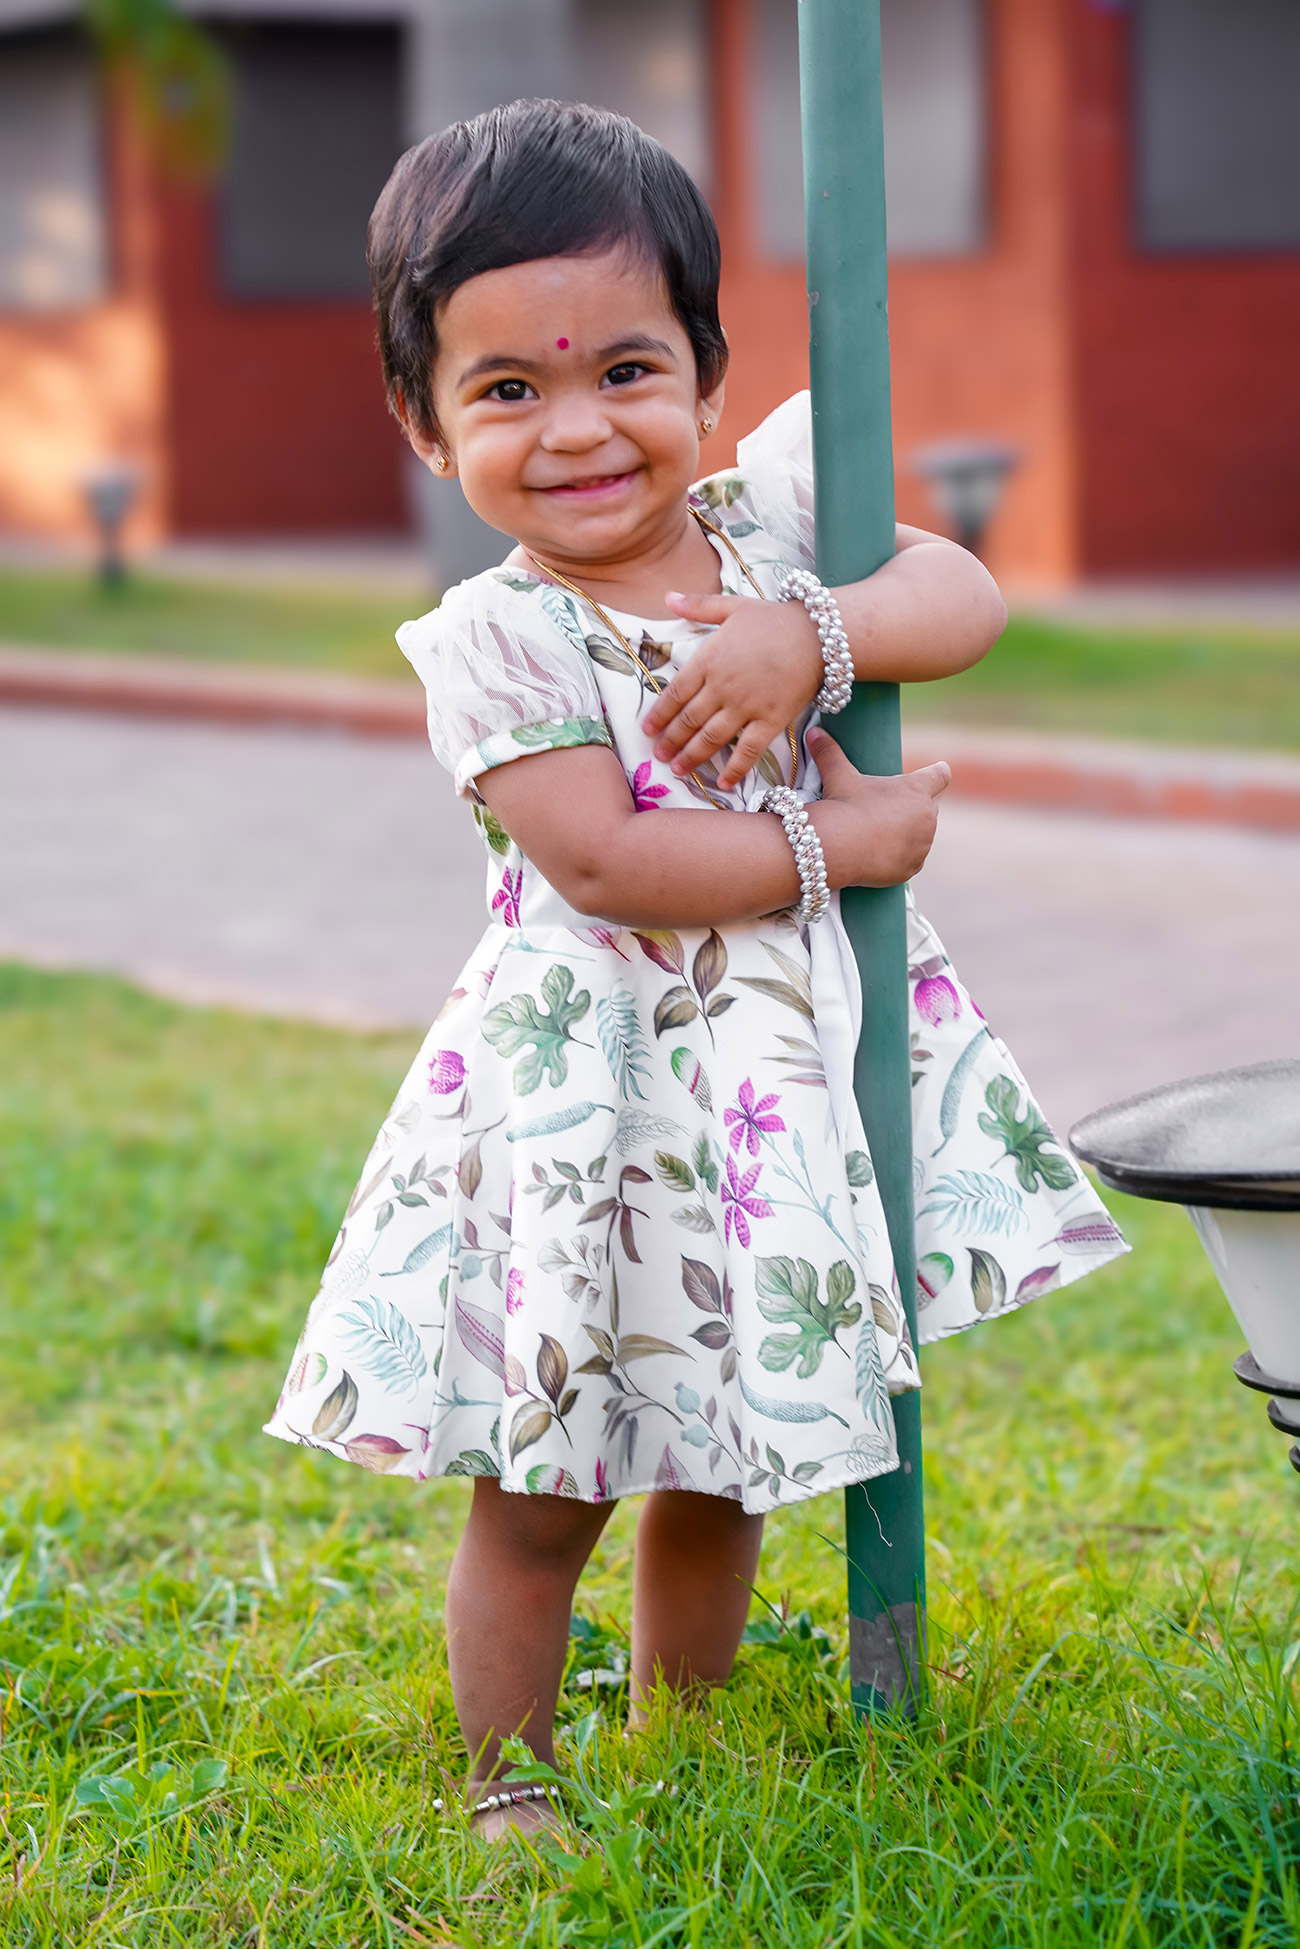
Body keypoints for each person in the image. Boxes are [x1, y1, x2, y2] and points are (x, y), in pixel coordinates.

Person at [264, 98, 1127, 1839]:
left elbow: (964, 598)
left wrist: (811, 629)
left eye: (625, 370)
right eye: (508, 390)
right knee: (549, 1475)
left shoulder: (770, 531)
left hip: (755, 1105)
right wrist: (837, 849)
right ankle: (511, 1780)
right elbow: (607, 859)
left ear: (709, 375)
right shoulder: (498, 638)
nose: (579, 427)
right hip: (593, 1109)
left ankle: (689, 1728)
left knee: (726, 1451)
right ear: (426, 426)